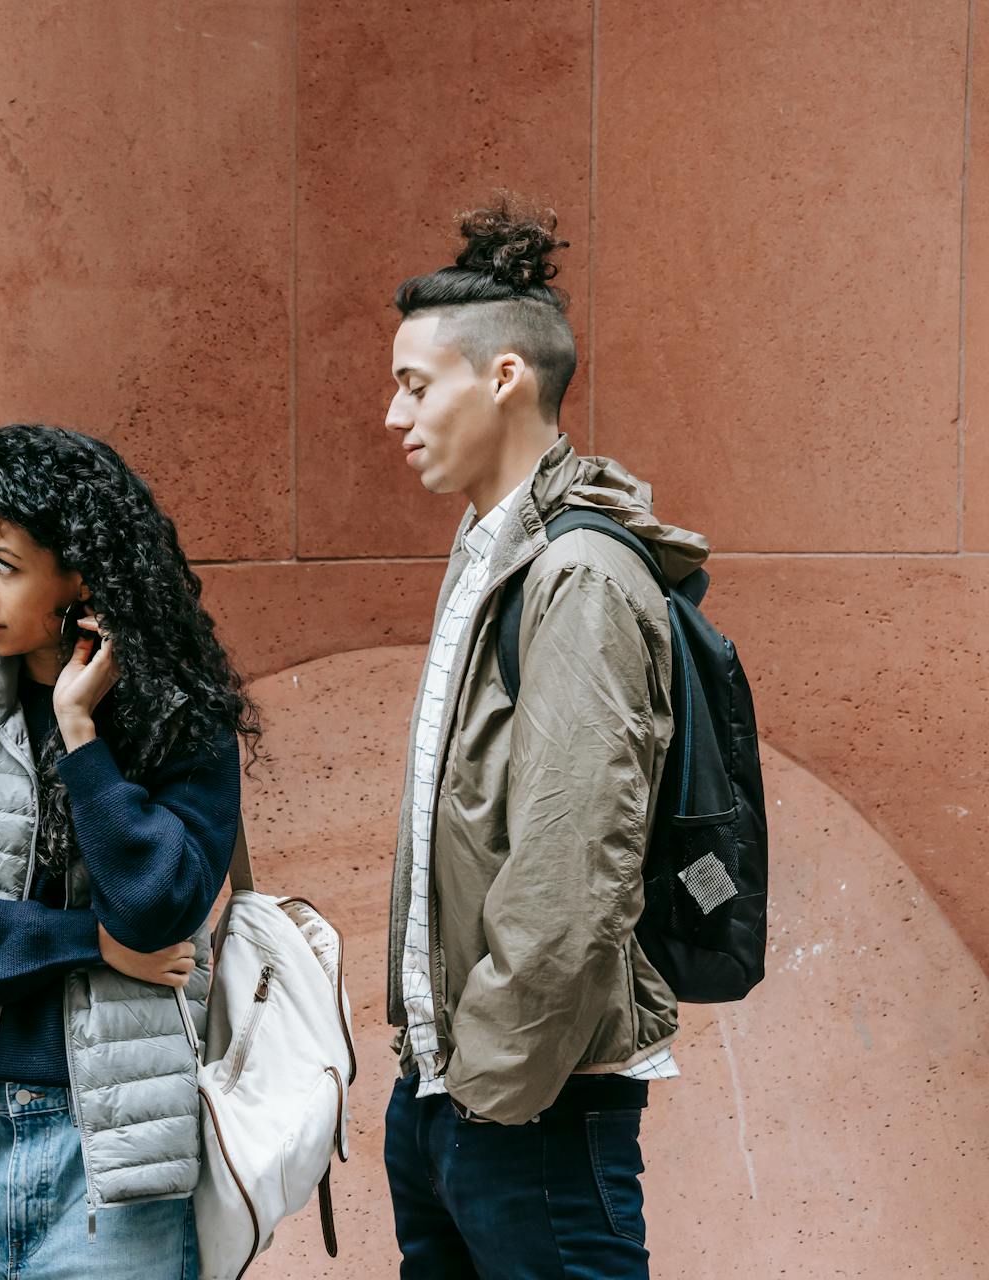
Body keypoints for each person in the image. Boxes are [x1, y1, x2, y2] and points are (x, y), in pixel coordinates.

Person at [378, 197, 711, 1278]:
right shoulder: (488, 553)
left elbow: (575, 866)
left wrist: (490, 1088)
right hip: (454, 1098)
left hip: (533, 1114)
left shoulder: (580, 575)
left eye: (416, 384)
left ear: (506, 376)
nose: (395, 414)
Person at [0, 425, 258, 1279]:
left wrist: (82, 736)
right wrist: (87, 944)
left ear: (78, 573)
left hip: (115, 1162)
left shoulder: (179, 721)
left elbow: (156, 909)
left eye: (4, 565)